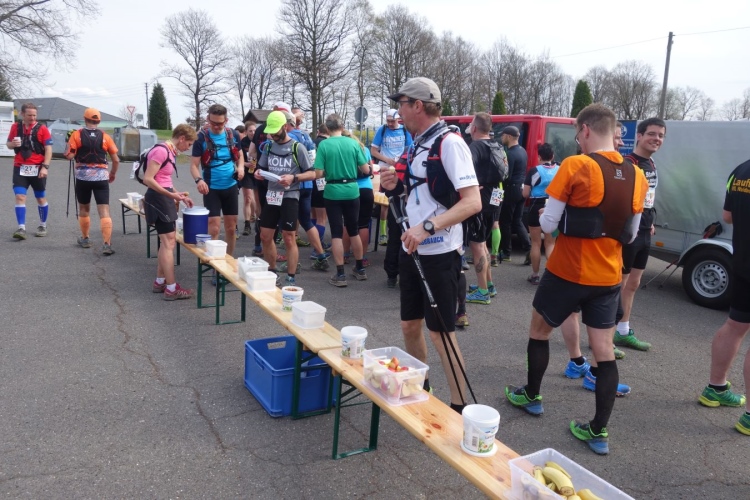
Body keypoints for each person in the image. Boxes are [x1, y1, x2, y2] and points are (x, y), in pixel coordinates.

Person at [504, 103, 648, 455]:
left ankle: (532, 396)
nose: (578, 141)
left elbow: (548, 224)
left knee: (539, 332)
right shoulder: (637, 175)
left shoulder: (576, 164)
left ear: (585, 130)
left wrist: (551, 215)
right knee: (604, 350)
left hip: (567, 271)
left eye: (577, 135)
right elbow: (631, 235)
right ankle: (597, 431)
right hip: (608, 276)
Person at [380, 77, 481, 413]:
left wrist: (427, 227)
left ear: (418, 105)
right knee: (409, 325)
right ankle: (420, 387)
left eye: (402, 104)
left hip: (439, 252)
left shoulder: (450, 143)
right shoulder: (417, 143)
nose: (398, 111)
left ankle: (458, 408)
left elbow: (473, 202)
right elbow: (419, 194)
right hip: (412, 248)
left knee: (441, 334)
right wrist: (395, 186)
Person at [698, 158, 750, 436]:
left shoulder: (741, 170)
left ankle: (715, 388)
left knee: (735, 325)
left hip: (742, 261)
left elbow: (727, 216)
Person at [614, 118, 666, 352]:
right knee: (619, 284)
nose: (657, 139)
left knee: (633, 284)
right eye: (652, 134)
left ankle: (623, 332)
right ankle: (605, 336)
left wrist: (650, 222)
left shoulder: (651, 163)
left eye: (661, 136)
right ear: (639, 136)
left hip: (645, 229)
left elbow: (648, 197)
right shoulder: (628, 163)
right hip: (629, 232)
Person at [254, 111, 316, 286]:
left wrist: (293, 178)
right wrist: (258, 173)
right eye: (270, 131)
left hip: (290, 195)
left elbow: (312, 173)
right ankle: (272, 272)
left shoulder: (297, 147)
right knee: (265, 236)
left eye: (275, 131)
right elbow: (260, 168)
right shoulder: (268, 147)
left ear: (284, 127)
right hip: (272, 195)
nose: (272, 135)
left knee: (289, 237)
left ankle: (291, 277)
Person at [142, 124, 197, 300]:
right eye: (188, 144)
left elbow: (164, 179)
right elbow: (148, 179)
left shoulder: (170, 151)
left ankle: (160, 281)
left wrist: (178, 195)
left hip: (163, 197)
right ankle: (171, 288)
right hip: (158, 199)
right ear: (181, 138)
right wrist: (170, 195)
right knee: (168, 242)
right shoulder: (161, 151)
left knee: (167, 242)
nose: (188, 148)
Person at [314, 113, 370, 287]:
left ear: (327, 128)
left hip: (332, 191)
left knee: (337, 232)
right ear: (342, 126)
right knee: (354, 230)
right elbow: (366, 169)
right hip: (352, 190)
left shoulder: (324, 145)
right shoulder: (353, 143)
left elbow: (318, 173)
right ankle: (360, 268)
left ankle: (340, 274)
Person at [190, 104, 244, 257]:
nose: (216, 126)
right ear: (208, 118)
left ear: (226, 120)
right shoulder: (201, 138)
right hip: (211, 188)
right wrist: (199, 180)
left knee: (231, 228)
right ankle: (213, 263)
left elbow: (240, 155)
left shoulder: (233, 134)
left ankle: (228, 260)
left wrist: (241, 168)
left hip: (231, 186)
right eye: (213, 122)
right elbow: (193, 165)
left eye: (220, 123)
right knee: (213, 228)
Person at [64, 108, 120, 255]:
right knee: (104, 210)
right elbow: (116, 160)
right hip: (101, 178)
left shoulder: (76, 135)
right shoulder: (105, 137)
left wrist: (67, 143)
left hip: (83, 178)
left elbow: (69, 156)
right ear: (99, 121)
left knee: (84, 209)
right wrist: (112, 173)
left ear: (84, 119)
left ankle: (85, 239)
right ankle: (107, 244)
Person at [464, 112, 507, 305]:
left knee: (477, 245)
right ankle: (488, 284)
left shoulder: (475, 147)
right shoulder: (496, 145)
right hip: (496, 196)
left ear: (474, 128)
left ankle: (482, 292)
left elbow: (465, 171)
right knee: (482, 243)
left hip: (481, 200)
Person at [6, 102, 53, 240]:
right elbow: (8, 144)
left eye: (34, 115)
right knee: (20, 196)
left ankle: (42, 225)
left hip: (38, 168)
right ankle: (21, 228)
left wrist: (45, 167)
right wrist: (12, 144)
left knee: (40, 197)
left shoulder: (42, 129)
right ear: (22, 114)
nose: (32, 118)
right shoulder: (15, 127)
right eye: (29, 115)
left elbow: (48, 149)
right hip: (20, 167)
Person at [371, 109, 414, 248]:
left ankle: (402, 230)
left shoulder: (404, 130)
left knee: (402, 198)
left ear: (398, 120)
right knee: (385, 201)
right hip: (385, 168)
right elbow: (373, 151)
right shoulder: (382, 130)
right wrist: (387, 160)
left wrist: (401, 160)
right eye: (388, 121)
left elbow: (410, 149)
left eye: (392, 121)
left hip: (401, 168)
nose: (389, 123)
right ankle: (383, 233)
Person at [523, 143, 558, 284]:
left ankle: (535, 275)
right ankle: (554, 276)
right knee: (550, 243)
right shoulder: (560, 169)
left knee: (536, 243)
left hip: (535, 206)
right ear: (552, 156)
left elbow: (525, 193)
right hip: (553, 206)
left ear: (539, 157)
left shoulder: (534, 171)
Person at [342, 129, 375, 268]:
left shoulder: (343, 150)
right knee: (363, 224)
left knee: (347, 223)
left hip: (350, 188)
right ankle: (362, 257)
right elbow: (371, 168)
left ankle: (345, 254)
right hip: (366, 189)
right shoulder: (364, 149)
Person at [498, 125, 531, 261]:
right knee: (517, 221)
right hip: (521, 189)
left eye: (503, 135)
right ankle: (529, 248)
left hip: (511, 189)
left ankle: (506, 252)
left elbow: (507, 176)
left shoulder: (510, 154)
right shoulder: (523, 151)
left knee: (505, 222)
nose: (501, 138)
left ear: (509, 136)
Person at [240, 121, 258, 236]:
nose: (253, 133)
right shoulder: (242, 143)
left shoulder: (259, 141)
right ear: (246, 132)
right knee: (248, 198)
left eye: (254, 130)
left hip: (258, 172)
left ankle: (258, 220)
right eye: (250, 131)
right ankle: (247, 225)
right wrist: (246, 164)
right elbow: (238, 159)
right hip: (246, 173)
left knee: (258, 198)